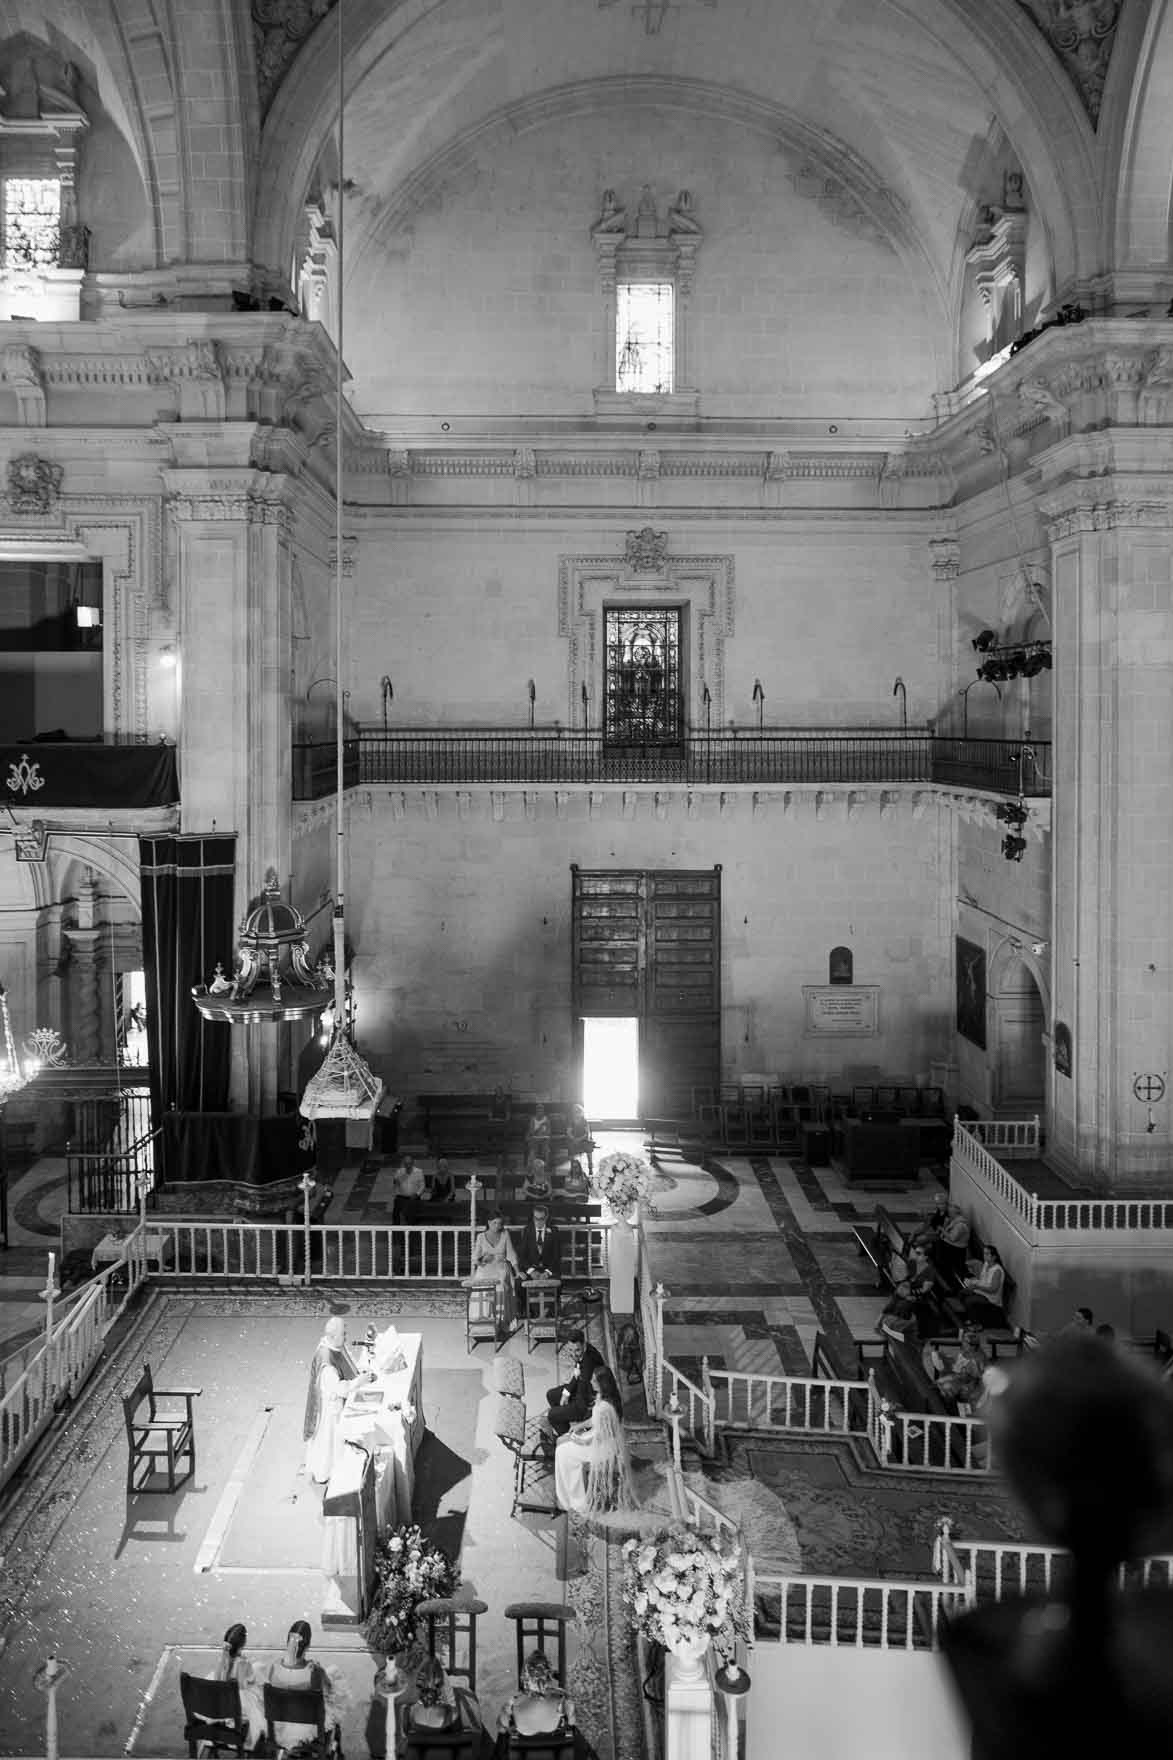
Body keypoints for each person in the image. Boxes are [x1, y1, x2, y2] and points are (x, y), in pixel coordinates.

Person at [554, 1366, 636, 1516]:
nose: (591, 1381)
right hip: (597, 1438)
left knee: (563, 1452)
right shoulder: (602, 1397)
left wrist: (579, 1440)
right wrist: (580, 1426)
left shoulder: (606, 1407)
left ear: (602, 1383)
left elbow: (601, 1435)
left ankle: (577, 1499)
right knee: (562, 1442)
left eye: (594, 1380)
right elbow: (594, 1420)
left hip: (603, 1446)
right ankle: (565, 1493)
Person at [303, 1316, 368, 1484]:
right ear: (333, 1336)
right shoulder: (327, 1365)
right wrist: (359, 1382)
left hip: (333, 1401)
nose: (346, 1337)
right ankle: (324, 1474)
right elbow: (340, 1389)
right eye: (343, 1334)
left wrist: (360, 1370)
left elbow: (347, 1359)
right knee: (329, 1443)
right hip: (330, 1409)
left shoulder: (331, 1344)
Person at [266, 1621, 344, 1750]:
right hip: (305, 1729)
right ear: (308, 1645)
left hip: (278, 1727)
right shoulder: (313, 1671)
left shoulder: (274, 1667)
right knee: (335, 1677)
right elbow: (328, 1692)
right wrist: (322, 1673)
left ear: (288, 1642)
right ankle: (332, 1743)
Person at [197, 1622, 265, 1752]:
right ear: (242, 1645)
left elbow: (218, 1678)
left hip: (215, 1706)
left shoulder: (222, 1661)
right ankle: (245, 1735)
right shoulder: (243, 1663)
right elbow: (246, 1683)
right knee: (259, 1675)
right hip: (236, 1707)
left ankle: (225, 1725)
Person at [496, 1651, 576, 1754]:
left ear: (524, 1676)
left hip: (523, 1742)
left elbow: (502, 1729)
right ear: (549, 1675)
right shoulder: (561, 1698)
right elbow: (572, 1722)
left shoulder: (513, 1702)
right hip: (554, 1739)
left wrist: (504, 1717)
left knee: (503, 1724)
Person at [467, 1212, 519, 1340]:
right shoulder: (481, 1237)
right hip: (485, 1268)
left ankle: (500, 1322)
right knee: (481, 1285)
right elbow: (474, 1258)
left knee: (500, 1284)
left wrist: (517, 1270)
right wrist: (483, 1258)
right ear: (489, 1222)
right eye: (494, 1223)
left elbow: (511, 1254)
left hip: (500, 1268)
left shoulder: (505, 1234)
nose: (497, 1226)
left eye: (500, 1223)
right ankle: (482, 1321)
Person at [545, 1329, 605, 1437]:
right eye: (570, 1350)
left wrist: (569, 1404)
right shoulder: (582, 1351)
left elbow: (582, 1394)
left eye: (577, 1350)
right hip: (582, 1388)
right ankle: (564, 1424)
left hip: (587, 1402)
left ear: (584, 1345)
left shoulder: (589, 1363)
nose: (573, 1354)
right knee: (551, 1395)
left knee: (552, 1415)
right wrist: (566, 1393)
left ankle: (569, 1437)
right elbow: (577, 1372)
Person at [961, 1244, 1007, 1324]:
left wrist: (977, 1286)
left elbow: (993, 1289)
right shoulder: (986, 1264)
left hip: (991, 1298)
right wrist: (973, 1281)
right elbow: (982, 1279)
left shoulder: (997, 1271)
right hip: (982, 1292)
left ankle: (976, 1323)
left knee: (969, 1301)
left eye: (987, 1254)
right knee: (962, 1293)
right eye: (984, 1253)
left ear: (994, 1257)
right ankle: (966, 1317)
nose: (984, 1256)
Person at [519, 1201, 563, 1281]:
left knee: (557, 1282)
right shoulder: (527, 1230)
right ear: (533, 1217)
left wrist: (547, 1272)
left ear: (546, 1217)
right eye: (536, 1218)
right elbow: (522, 1256)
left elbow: (557, 1256)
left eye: (541, 1219)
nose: (538, 1222)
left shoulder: (554, 1231)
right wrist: (531, 1271)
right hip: (532, 1269)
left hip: (549, 1270)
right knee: (519, 1283)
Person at [566, 1103, 594, 1176]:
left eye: (578, 1111)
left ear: (581, 1112)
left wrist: (579, 1139)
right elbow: (568, 1132)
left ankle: (590, 1168)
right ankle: (572, 1168)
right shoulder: (571, 1121)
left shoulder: (584, 1121)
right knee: (571, 1147)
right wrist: (574, 1139)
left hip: (583, 1140)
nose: (576, 1113)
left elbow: (587, 1133)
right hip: (574, 1140)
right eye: (575, 1111)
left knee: (589, 1147)